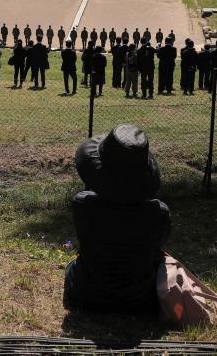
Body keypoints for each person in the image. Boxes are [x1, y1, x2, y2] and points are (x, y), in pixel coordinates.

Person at [64, 125, 170, 313]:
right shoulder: (159, 213)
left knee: (72, 267)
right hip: (139, 301)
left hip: (86, 297)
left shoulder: (82, 205)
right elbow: (157, 249)